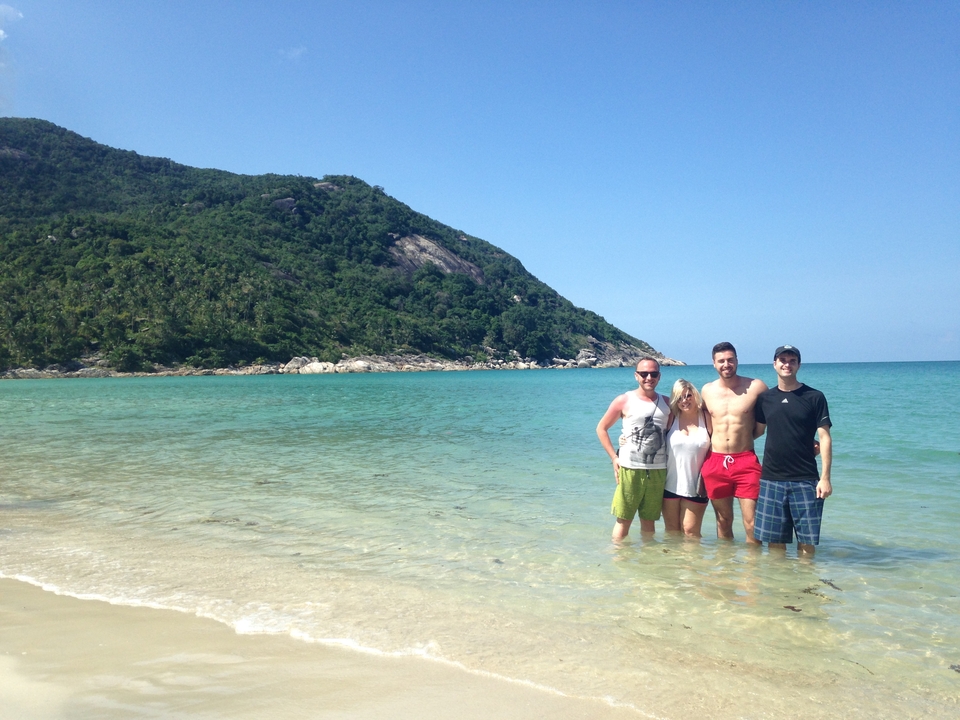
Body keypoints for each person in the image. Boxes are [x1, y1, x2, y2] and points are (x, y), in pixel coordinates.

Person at [753, 345, 833, 556]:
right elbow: (757, 432)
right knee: (775, 543)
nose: (787, 364)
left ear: (798, 365)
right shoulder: (765, 398)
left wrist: (825, 478)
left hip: (806, 479)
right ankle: (780, 588)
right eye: (782, 360)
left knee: (807, 543)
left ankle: (806, 586)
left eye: (792, 360)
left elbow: (824, 437)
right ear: (774, 364)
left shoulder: (814, 397)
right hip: (771, 479)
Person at [700, 342, 768, 543]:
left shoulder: (756, 386)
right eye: (721, 361)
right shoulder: (707, 391)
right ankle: (726, 570)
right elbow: (696, 421)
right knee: (723, 520)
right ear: (713, 364)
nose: (726, 364)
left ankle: (752, 571)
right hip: (715, 461)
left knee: (753, 523)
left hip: (746, 461)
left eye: (730, 360)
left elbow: (771, 419)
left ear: (737, 361)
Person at [597, 357, 670, 542]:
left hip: (658, 470)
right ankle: (619, 563)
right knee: (624, 520)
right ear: (636, 376)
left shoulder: (668, 403)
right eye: (644, 374)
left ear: (659, 376)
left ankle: (646, 564)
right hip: (629, 469)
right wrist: (614, 457)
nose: (648, 378)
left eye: (653, 374)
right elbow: (601, 428)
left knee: (649, 522)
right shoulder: (624, 400)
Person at [662, 379, 712, 537]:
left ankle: (692, 563)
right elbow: (650, 437)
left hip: (697, 487)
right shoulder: (671, 418)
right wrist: (624, 440)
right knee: (672, 531)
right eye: (679, 398)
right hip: (669, 485)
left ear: (695, 395)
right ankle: (672, 562)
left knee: (691, 532)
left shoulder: (706, 418)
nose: (685, 400)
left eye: (688, 396)